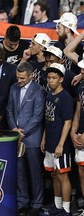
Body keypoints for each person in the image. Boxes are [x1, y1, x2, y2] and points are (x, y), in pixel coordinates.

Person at [7, 61, 45, 216]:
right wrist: (14, 130)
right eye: (18, 77)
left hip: (32, 139)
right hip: (16, 138)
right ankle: (22, 202)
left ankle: (37, 203)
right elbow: (9, 109)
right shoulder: (13, 88)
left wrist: (22, 133)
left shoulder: (39, 91)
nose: (19, 80)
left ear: (31, 76)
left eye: (22, 78)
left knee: (35, 173)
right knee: (19, 171)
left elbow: (37, 117)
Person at [40, 63, 74, 216]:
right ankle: (57, 206)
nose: (50, 81)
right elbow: (48, 119)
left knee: (62, 174)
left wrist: (61, 144)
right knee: (54, 174)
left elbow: (68, 122)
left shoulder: (65, 97)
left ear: (61, 79)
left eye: (54, 78)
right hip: (50, 142)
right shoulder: (49, 95)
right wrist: (44, 138)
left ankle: (66, 210)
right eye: (49, 78)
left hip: (61, 144)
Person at [70, 58, 84, 216]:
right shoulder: (81, 87)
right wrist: (73, 132)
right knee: (81, 170)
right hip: (80, 135)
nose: (81, 71)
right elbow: (78, 111)